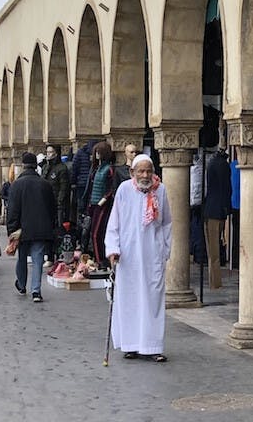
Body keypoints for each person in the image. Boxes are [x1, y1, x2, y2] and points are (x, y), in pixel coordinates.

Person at [105, 154, 172, 362]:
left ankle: (153, 346)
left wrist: (165, 250)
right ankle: (131, 344)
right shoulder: (125, 189)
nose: (145, 175)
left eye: (149, 171)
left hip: (153, 254)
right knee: (130, 299)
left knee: (153, 300)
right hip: (128, 255)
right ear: (133, 172)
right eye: (141, 171)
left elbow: (167, 223)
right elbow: (114, 221)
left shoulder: (160, 190)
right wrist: (113, 248)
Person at [6, 152, 56, 302]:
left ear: (23, 165)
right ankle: (36, 291)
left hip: (22, 229)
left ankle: (21, 285)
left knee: (22, 258)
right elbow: (52, 207)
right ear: (35, 166)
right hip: (41, 228)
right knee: (38, 259)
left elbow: (12, 209)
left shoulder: (17, 185)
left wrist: (12, 230)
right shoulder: (45, 184)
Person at [203, 148, 231, 289]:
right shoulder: (225, 165)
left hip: (212, 210)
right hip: (221, 210)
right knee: (216, 249)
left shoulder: (213, 164)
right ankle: (215, 281)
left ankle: (215, 282)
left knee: (213, 250)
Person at [41, 144, 70, 263]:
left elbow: (64, 188)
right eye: (47, 152)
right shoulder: (45, 167)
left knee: (57, 230)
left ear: (56, 153)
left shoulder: (61, 169)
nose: (48, 154)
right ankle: (48, 254)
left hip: (56, 204)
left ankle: (56, 255)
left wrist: (60, 203)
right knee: (46, 230)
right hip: (45, 203)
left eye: (50, 152)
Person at [88, 141, 114, 269]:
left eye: (99, 152)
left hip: (102, 204)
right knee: (95, 232)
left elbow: (110, 188)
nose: (97, 155)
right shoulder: (97, 168)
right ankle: (99, 258)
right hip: (94, 203)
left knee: (97, 233)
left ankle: (101, 260)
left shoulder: (108, 169)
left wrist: (103, 200)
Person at [71, 139, 97, 218]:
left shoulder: (80, 153)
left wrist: (73, 181)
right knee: (82, 204)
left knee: (82, 205)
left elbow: (74, 168)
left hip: (84, 182)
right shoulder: (81, 153)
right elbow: (74, 168)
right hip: (83, 183)